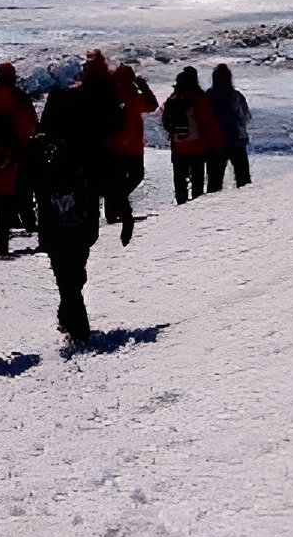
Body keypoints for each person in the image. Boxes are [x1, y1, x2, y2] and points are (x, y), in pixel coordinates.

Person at [31, 79, 108, 342]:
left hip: (53, 223)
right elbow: (100, 176)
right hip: (83, 221)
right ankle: (76, 322)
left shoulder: (40, 145)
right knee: (75, 269)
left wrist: (25, 215)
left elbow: (28, 181)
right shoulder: (87, 142)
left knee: (64, 272)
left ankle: (72, 318)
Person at [0, 63, 39, 259]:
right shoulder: (20, 98)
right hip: (12, 158)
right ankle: (2, 248)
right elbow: (31, 126)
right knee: (4, 206)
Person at [101, 61, 159, 245]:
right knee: (135, 176)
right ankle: (117, 204)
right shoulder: (133, 96)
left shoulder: (109, 96)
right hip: (131, 147)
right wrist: (144, 86)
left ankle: (112, 211)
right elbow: (152, 105)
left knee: (115, 180)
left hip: (112, 147)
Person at [161, 65, 222, 203]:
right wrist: (217, 145)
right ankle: (194, 210)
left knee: (180, 181)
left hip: (178, 146)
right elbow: (208, 123)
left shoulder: (173, 98)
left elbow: (165, 120)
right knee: (197, 183)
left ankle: (180, 205)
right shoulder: (199, 98)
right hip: (197, 147)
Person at [207, 63, 252, 189]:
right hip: (236, 141)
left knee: (214, 182)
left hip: (216, 143)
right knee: (243, 180)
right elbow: (245, 117)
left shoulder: (209, 96)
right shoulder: (236, 96)